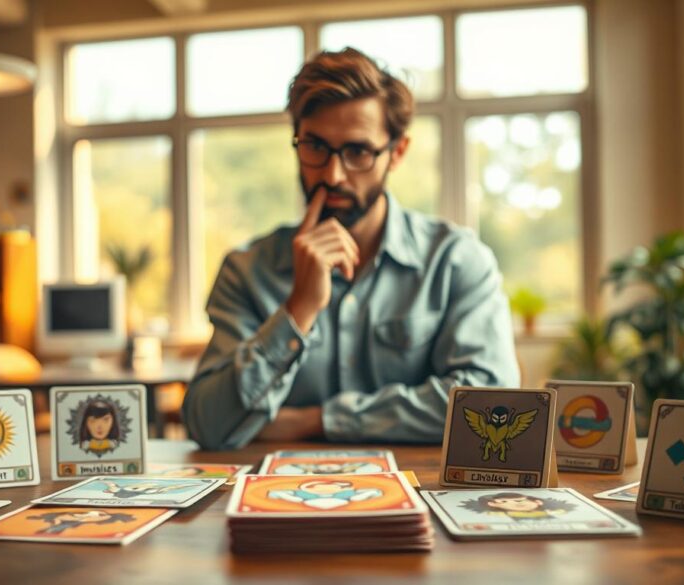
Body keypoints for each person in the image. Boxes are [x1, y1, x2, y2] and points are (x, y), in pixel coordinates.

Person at [182, 47, 518, 451]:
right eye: (315, 146)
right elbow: (208, 426)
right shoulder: (247, 269)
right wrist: (299, 309)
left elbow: (491, 404)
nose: (333, 174)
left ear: (397, 152)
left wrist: (319, 420)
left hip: (421, 487)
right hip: (277, 489)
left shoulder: (456, 260)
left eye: (357, 151)